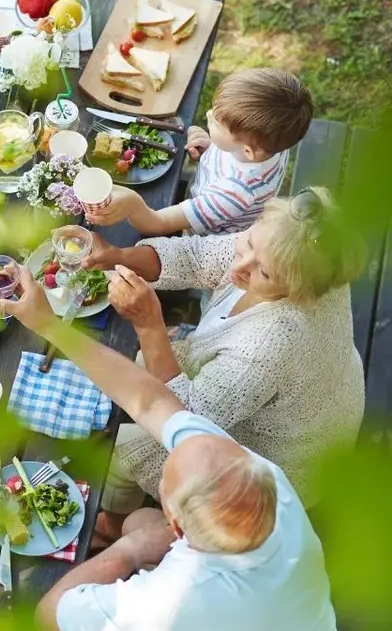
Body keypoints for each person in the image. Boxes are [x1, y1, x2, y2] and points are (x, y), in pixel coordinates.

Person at [0, 272, 339, 631]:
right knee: (138, 519)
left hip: (200, 620)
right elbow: (151, 401)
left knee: (133, 536)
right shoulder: (264, 481)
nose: (182, 440)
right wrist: (48, 324)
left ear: (178, 525)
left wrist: (129, 552)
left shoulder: (168, 605)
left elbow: (51, 618)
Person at [81, 187, 365, 532]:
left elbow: (186, 420)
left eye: (264, 273)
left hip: (280, 466)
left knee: (119, 453)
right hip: (310, 398)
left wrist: (149, 324)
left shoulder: (273, 342)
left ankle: (112, 523)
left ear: (299, 289)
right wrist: (117, 255)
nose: (239, 267)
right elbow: (199, 256)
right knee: (134, 368)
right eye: (248, 245)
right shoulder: (307, 258)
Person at [87, 68, 313, 236]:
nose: (206, 115)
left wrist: (133, 203)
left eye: (215, 122)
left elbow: (159, 224)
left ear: (247, 150)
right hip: (210, 198)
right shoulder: (271, 143)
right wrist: (211, 146)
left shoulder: (233, 194)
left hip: (207, 236)